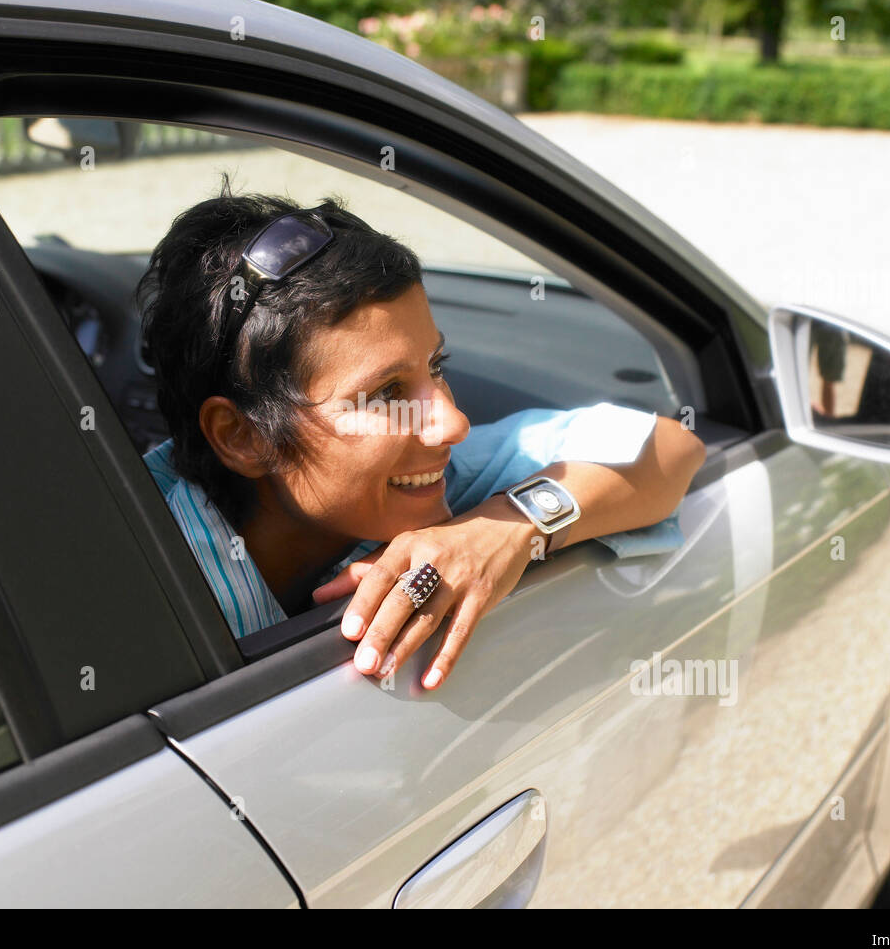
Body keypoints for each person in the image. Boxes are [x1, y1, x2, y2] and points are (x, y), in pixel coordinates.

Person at [137, 181, 706, 689]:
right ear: (243, 437)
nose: (452, 423)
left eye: (436, 366)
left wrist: (510, 527)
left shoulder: (433, 486)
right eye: (385, 394)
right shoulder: (135, 578)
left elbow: (670, 447)